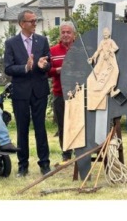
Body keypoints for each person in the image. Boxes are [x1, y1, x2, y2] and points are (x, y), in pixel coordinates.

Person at [4, 9, 51, 177]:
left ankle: (44, 164)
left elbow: (49, 64)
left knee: (40, 128)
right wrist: (25, 67)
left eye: (36, 20)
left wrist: (42, 65)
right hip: (21, 93)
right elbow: (8, 68)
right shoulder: (11, 43)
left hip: (39, 90)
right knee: (22, 129)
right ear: (22, 24)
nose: (35, 23)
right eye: (31, 21)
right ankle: (22, 166)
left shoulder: (42, 40)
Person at [48, 21, 75, 163]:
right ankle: (66, 153)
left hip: (79, 93)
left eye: (68, 32)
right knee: (63, 125)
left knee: (79, 124)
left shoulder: (81, 48)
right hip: (60, 93)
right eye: (63, 32)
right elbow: (46, 71)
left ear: (73, 34)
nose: (65, 35)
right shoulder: (52, 51)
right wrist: (57, 70)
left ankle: (81, 151)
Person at [87, 27, 120, 110]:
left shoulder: (111, 41)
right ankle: (100, 90)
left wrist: (109, 51)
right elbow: (97, 51)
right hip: (103, 61)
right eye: (104, 32)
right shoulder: (102, 42)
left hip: (110, 59)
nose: (105, 34)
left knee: (115, 72)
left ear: (109, 34)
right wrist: (92, 57)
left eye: (106, 32)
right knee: (103, 75)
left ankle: (112, 90)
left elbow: (116, 48)